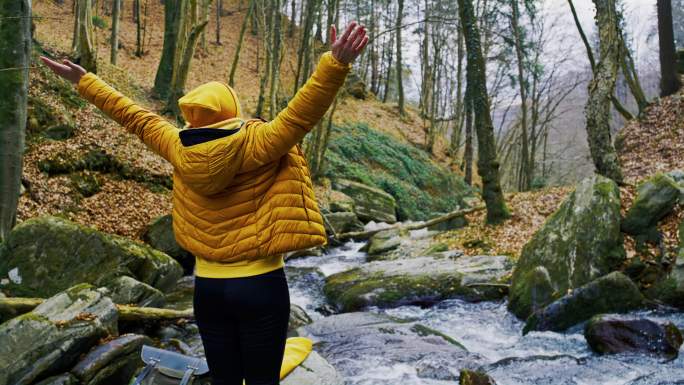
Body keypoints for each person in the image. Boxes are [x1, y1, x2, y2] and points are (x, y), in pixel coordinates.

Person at [41, 21, 368, 385]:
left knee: (225, 380)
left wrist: (85, 81)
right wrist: (335, 64)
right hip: (260, 285)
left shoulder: (176, 144)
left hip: (208, 290)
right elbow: (302, 112)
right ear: (232, 111)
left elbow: (132, 115)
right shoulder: (259, 142)